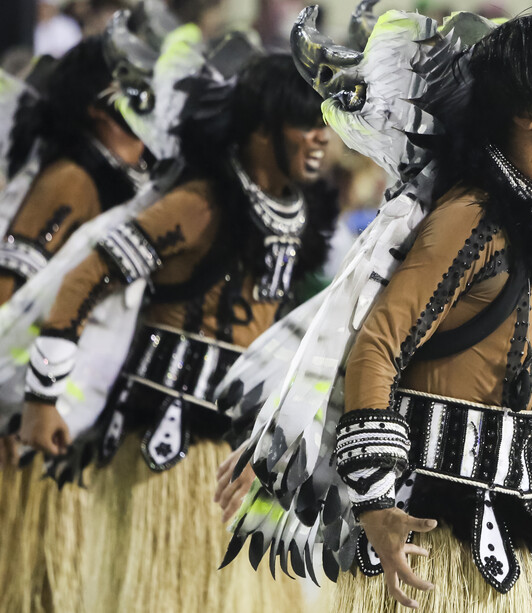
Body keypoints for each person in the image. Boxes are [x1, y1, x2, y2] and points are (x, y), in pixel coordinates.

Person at [216, 9, 532, 612]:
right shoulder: (474, 215)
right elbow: (377, 346)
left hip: (505, 510)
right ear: (526, 112)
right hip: (431, 531)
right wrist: (378, 502)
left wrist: (507, 459)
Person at [15, 53, 335, 612]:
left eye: (325, 124)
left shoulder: (296, 215)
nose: (320, 138)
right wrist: (42, 399)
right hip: (165, 448)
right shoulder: (200, 204)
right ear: (261, 130)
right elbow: (85, 280)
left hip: (240, 450)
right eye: (306, 123)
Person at [0, 36, 152, 613]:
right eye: (137, 89)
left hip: (57, 426)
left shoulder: (117, 180)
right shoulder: (73, 178)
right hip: (26, 426)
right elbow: (7, 292)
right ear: (97, 104)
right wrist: (19, 408)